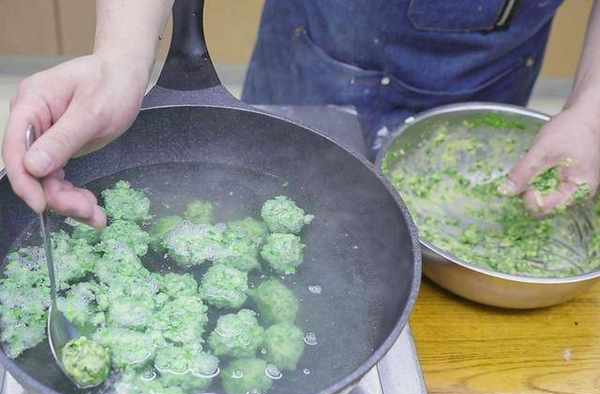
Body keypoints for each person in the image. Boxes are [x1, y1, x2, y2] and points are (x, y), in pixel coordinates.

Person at [2, 0, 599, 228]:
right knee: (276, 175)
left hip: (485, 71)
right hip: (319, 51)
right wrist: (120, 59)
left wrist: (592, 114)